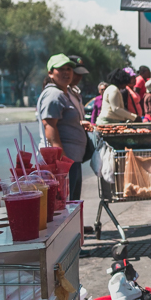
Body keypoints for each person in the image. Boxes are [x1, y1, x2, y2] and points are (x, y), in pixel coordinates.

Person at [38, 54, 90, 201]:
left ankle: (77, 225)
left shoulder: (64, 93)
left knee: (73, 200)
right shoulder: (54, 94)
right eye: (61, 69)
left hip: (73, 158)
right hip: (63, 160)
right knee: (65, 203)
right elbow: (49, 126)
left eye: (69, 69)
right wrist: (62, 159)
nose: (66, 72)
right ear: (50, 73)